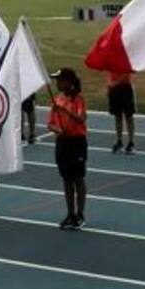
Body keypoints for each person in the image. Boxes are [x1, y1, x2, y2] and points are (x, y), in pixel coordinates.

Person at [49, 68, 88, 230]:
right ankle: (70, 213)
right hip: (62, 142)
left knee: (78, 178)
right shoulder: (57, 99)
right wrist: (57, 130)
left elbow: (81, 119)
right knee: (66, 179)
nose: (57, 83)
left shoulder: (78, 99)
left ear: (69, 82)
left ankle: (80, 214)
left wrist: (65, 110)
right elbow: (50, 123)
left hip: (77, 142)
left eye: (60, 80)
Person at [106, 70, 135, 154]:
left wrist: (113, 83)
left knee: (128, 115)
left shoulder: (125, 58)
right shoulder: (111, 59)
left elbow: (126, 73)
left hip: (125, 87)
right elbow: (108, 73)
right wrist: (109, 84)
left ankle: (131, 142)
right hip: (114, 89)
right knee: (117, 116)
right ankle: (119, 140)